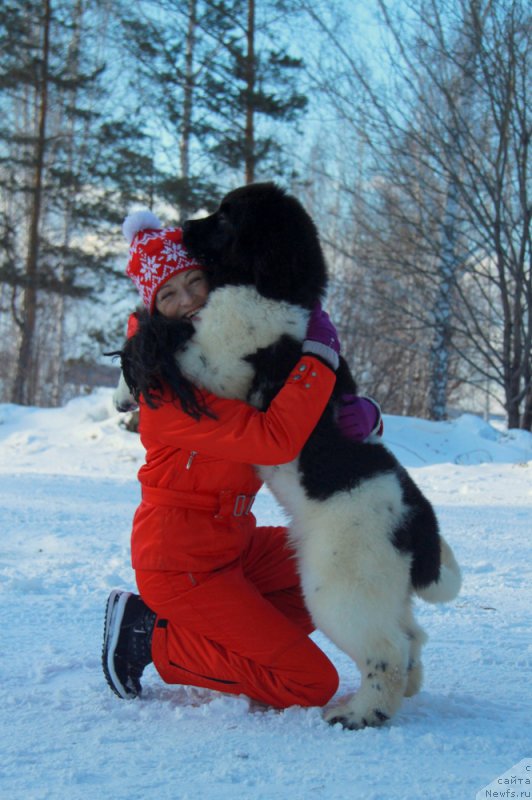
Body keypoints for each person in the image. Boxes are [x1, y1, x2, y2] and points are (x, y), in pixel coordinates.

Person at [103, 210, 383, 710]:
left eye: (195, 281)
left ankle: (224, 633)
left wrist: (351, 417)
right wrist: (319, 355)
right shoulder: (165, 391)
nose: (188, 300)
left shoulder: (229, 352)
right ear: (152, 309)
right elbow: (272, 438)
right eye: (168, 294)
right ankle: (149, 636)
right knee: (309, 684)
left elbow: (291, 422)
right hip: (179, 561)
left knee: (342, 560)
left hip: (235, 545)